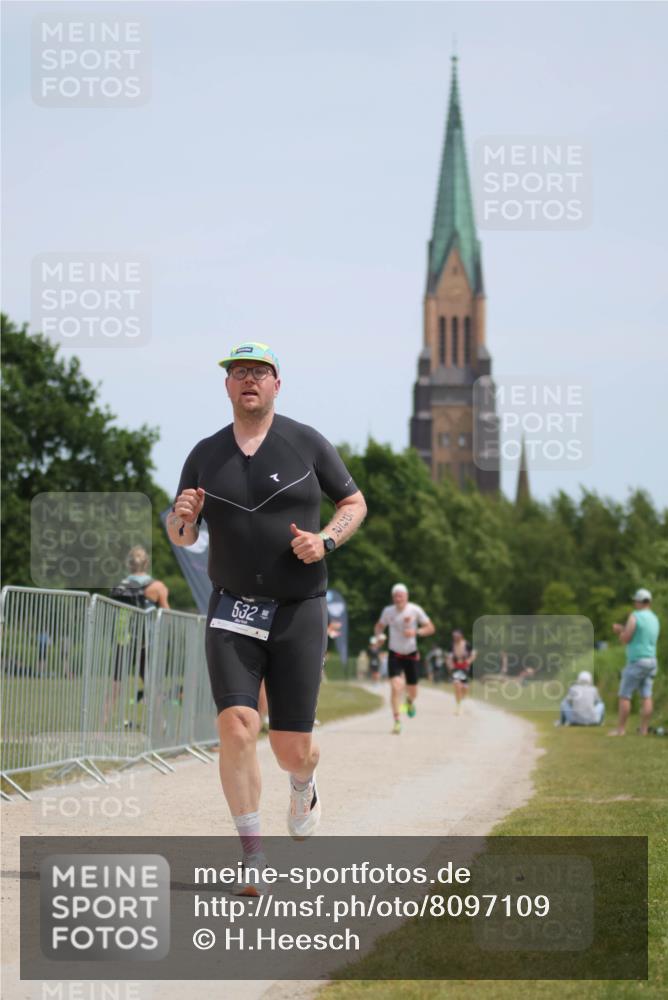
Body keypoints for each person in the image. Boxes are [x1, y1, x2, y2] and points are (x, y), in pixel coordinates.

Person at [168, 341, 366, 893]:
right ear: (227, 387)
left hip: (298, 610)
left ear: (278, 384)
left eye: (258, 372)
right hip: (230, 606)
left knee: (289, 747)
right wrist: (181, 520)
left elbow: (354, 504)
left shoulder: (306, 443)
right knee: (235, 726)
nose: (247, 380)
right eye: (238, 373)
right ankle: (252, 853)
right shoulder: (205, 453)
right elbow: (183, 532)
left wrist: (325, 541)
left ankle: (304, 781)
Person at [103, 547, 170, 726]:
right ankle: (159, 721)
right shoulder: (157, 587)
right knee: (151, 683)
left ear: (128, 564)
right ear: (146, 563)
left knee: (116, 683)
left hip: (123, 639)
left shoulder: (119, 587)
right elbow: (167, 614)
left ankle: (102, 721)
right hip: (145, 641)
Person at [374, 584, 435, 734]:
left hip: (411, 654)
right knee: (396, 686)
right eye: (395, 596)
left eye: (401, 595)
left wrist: (416, 632)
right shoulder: (388, 611)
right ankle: (397, 721)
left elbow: (431, 628)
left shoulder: (415, 610)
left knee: (412, 690)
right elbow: (379, 626)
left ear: (406, 596)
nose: (398, 598)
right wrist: (379, 636)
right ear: (393, 597)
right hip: (395, 654)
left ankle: (409, 702)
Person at [609, 588, 661, 736]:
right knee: (646, 695)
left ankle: (620, 730)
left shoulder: (635, 616)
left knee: (625, 695)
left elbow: (626, 638)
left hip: (637, 661)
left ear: (639, 602)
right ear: (649, 602)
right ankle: (644, 730)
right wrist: (625, 630)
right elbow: (641, 636)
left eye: (635, 601)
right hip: (652, 660)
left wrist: (620, 631)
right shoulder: (655, 618)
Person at [446, 629, 476, 715]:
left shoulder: (467, 645)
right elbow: (448, 657)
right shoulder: (451, 645)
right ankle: (458, 706)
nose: (455, 638)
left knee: (465, 688)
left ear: (461, 636)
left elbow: (474, 655)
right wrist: (450, 665)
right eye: (454, 636)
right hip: (455, 667)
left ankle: (462, 700)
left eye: (457, 636)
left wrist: (468, 662)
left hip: (465, 667)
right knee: (457, 685)